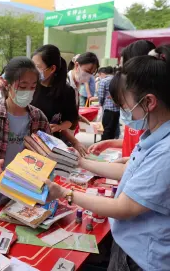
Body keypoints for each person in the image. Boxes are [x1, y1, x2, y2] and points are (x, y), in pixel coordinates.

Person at [47, 45, 170, 270]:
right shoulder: (155, 134)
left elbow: (125, 207)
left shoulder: (166, 152)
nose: (125, 113)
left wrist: (66, 193)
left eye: (125, 105)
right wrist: (82, 162)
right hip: (132, 244)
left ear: (149, 102)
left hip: (143, 258)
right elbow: (127, 171)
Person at [0, 57, 51, 214]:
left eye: (32, 87)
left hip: (23, 193)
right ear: (8, 84)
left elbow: (47, 156)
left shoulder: (39, 118)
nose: (28, 92)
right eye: (22, 86)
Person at [89, 40, 156, 160]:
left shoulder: (149, 118)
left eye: (124, 68)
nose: (120, 73)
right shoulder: (136, 113)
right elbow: (133, 142)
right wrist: (109, 143)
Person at [31, 44, 78, 139]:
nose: (33, 71)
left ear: (52, 68)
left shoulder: (66, 91)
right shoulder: (30, 84)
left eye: (37, 67)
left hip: (48, 140)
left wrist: (59, 127)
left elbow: (70, 119)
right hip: (26, 137)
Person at [97, 66, 119, 141]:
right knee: (113, 128)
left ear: (103, 73)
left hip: (108, 109)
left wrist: (101, 103)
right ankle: (111, 143)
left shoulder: (104, 81)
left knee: (106, 128)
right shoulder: (118, 79)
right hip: (118, 109)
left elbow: (101, 95)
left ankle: (104, 143)